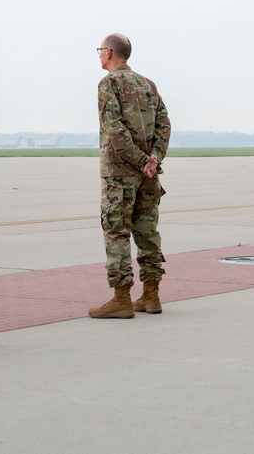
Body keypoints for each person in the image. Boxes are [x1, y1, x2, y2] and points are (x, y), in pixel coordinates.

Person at [90, 33, 171, 319]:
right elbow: (164, 125)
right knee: (148, 232)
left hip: (120, 174)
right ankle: (151, 295)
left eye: (100, 50)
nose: (99, 54)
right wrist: (153, 159)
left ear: (110, 52)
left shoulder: (108, 84)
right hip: (148, 175)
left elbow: (115, 130)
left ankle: (121, 297)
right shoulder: (148, 85)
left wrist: (138, 161)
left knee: (117, 231)